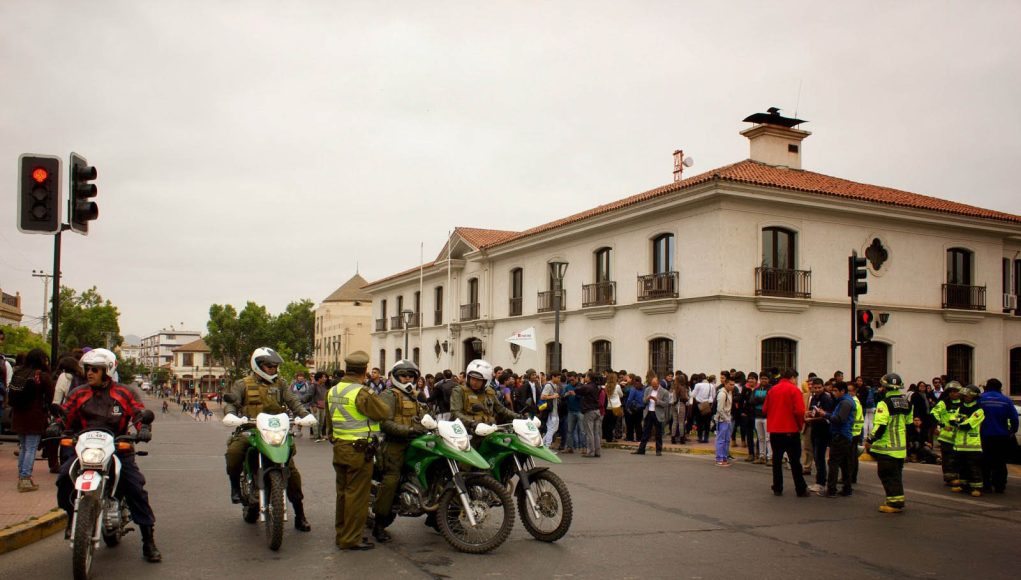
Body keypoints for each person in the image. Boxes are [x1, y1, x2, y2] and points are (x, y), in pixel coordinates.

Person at [56, 348, 162, 562]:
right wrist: (55, 425)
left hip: (118, 447)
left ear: (108, 371)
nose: (90, 373)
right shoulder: (79, 393)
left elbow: (138, 413)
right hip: (86, 449)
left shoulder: (124, 393)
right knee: (64, 479)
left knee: (135, 488)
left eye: (96, 369)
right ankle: (71, 519)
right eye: (88, 369)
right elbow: (65, 414)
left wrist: (143, 428)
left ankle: (148, 540)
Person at [223, 347, 316, 532]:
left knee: (292, 472)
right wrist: (232, 415)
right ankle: (235, 487)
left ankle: (300, 515)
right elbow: (231, 403)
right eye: (269, 366)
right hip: (250, 429)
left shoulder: (280, 384)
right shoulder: (242, 384)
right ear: (257, 366)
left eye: (275, 366)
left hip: (276, 430)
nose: (273, 369)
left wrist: (305, 415)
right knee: (234, 451)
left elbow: (294, 402)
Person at [325, 351, 390, 550]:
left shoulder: (334, 391)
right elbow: (383, 412)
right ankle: (351, 538)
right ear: (364, 371)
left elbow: (329, 424)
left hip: (340, 447)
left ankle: (341, 534)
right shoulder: (360, 392)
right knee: (357, 496)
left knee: (343, 493)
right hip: (359, 450)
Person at [372, 360, 429, 543]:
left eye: (411, 376)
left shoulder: (414, 396)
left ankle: (436, 517)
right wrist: (409, 430)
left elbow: (425, 417)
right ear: (396, 377)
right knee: (392, 479)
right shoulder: (389, 395)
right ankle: (379, 524)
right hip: (394, 444)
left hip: (416, 443)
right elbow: (385, 422)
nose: (408, 379)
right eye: (404, 375)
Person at [866, 373, 912, 513]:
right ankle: (896, 499)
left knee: (887, 475)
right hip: (900, 448)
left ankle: (894, 503)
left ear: (885, 387)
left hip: (887, 447)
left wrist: (870, 440)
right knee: (896, 475)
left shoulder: (884, 404)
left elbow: (880, 426)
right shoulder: (906, 403)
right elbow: (909, 425)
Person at [9, 348, 54, 491]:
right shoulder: (41, 376)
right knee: (31, 447)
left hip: (18, 415)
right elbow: (50, 396)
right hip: (34, 416)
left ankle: (22, 476)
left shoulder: (18, 372)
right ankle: (25, 478)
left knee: (23, 446)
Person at [449, 359, 518, 445]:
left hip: (489, 431)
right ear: (468, 377)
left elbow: (501, 409)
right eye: (472, 378)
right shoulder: (459, 391)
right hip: (468, 434)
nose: (474, 382)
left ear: (486, 381)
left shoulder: (490, 392)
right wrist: (472, 423)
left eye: (478, 380)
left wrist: (518, 416)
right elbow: (456, 413)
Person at [762, 368, 807, 497]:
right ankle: (800, 488)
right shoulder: (794, 390)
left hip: (775, 430)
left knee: (777, 460)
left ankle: (777, 487)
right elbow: (799, 411)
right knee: (794, 461)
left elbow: (765, 409)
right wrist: (800, 425)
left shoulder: (772, 390)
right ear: (792, 378)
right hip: (790, 430)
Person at [978, 378, 1018, 493]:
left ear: (987, 387)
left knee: (985, 461)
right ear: (1000, 388)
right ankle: (1000, 485)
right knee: (1000, 462)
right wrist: (1012, 431)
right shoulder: (1006, 400)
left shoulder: (981, 399)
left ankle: (986, 484)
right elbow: (1014, 418)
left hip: (985, 435)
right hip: (1002, 435)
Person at [819, 381, 855, 497]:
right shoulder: (844, 401)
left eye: (835, 391)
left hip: (841, 435)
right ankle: (847, 488)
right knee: (844, 463)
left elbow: (839, 419)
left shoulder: (845, 402)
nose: (833, 393)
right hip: (844, 435)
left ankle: (831, 489)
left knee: (833, 462)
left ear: (842, 391)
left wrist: (825, 415)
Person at [950, 385, 985, 496]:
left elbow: (968, 424)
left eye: (967, 396)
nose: (965, 397)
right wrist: (959, 421)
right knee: (962, 466)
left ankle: (976, 487)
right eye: (964, 395)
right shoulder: (961, 407)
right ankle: (963, 485)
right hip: (960, 445)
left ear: (974, 397)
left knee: (974, 467)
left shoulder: (979, 410)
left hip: (972, 445)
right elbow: (952, 419)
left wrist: (959, 421)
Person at [930, 381, 963, 487]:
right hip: (946, 436)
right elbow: (933, 414)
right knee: (947, 458)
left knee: (958, 458)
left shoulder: (963, 403)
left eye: (956, 391)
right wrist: (942, 425)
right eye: (951, 392)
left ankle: (958, 477)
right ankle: (949, 478)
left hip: (960, 437)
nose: (954, 394)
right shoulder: (943, 403)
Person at [806, 378, 835, 492]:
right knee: (816, 457)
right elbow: (813, 412)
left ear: (823, 387)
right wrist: (808, 414)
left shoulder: (826, 399)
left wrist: (812, 419)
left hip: (823, 431)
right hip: (814, 430)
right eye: (815, 387)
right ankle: (820, 480)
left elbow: (826, 417)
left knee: (819, 457)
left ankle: (821, 482)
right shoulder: (814, 398)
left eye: (819, 387)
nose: (817, 390)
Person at [632, 376, 670, 456]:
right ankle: (641, 450)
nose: (654, 387)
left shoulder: (664, 392)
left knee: (658, 433)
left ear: (658, 383)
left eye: (655, 385)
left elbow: (666, 404)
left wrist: (657, 401)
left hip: (658, 414)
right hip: (648, 412)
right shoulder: (648, 389)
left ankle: (658, 450)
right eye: (653, 385)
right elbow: (643, 401)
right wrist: (647, 398)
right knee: (645, 432)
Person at [576, 372, 603, 458]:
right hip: (597, 410)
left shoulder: (588, 386)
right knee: (596, 432)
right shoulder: (597, 386)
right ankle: (597, 451)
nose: (584, 378)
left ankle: (591, 451)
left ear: (589, 378)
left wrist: (581, 382)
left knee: (589, 432)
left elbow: (578, 390)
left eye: (586, 376)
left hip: (589, 411)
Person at [750, 373, 771, 464]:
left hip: (767, 417)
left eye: (765, 378)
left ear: (769, 380)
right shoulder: (756, 389)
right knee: (760, 438)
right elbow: (751, 400)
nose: (764, 380)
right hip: (757, 416)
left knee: (768, 438)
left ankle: (770, 457)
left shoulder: (771, 389)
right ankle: (761, 456)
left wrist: (758, 399)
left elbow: (769, 401)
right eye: (762, 378)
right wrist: (762, 399)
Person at [714, 377, 735, 466]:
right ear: (725, 384)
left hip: (727, 419)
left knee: (726, 440)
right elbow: (720, 409)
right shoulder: (722, 394)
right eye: (730, 384)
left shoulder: (729, 392)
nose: (732, 386)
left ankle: (724, 457)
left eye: (733, 384)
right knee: (721, 440)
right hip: (722, 420)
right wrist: (726, 419)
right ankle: (719, 458)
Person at [691, 374, 715, 443]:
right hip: (708, 405)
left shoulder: (698, 385)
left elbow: (693, 395)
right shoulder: (711, 385)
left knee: (699, 422)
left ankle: (700, 437)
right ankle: (706, 437)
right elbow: (713, 396)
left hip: (699, 405)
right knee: (707, 422)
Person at [540, 373, 562, 448]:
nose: (559, 379)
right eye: (558, 377)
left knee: (554, 428)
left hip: (555, 411)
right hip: (550, 411)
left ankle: (542, 443)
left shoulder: (555, 385)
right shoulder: (548, 385)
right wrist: (553, 396)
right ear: (553, 377)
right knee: (551, 428)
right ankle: (547, 446)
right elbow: (542, 397)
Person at [312, 371, 329, 441]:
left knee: (321, 422)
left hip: (323, 406)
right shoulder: (313, 386)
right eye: (323, 377)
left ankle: (320, 434)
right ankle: (316, 435)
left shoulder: (324, 386)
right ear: (319, 378)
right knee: (316, 421)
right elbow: (311, 396)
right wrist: (313, 405)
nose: (325, 379)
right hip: (316, 406)